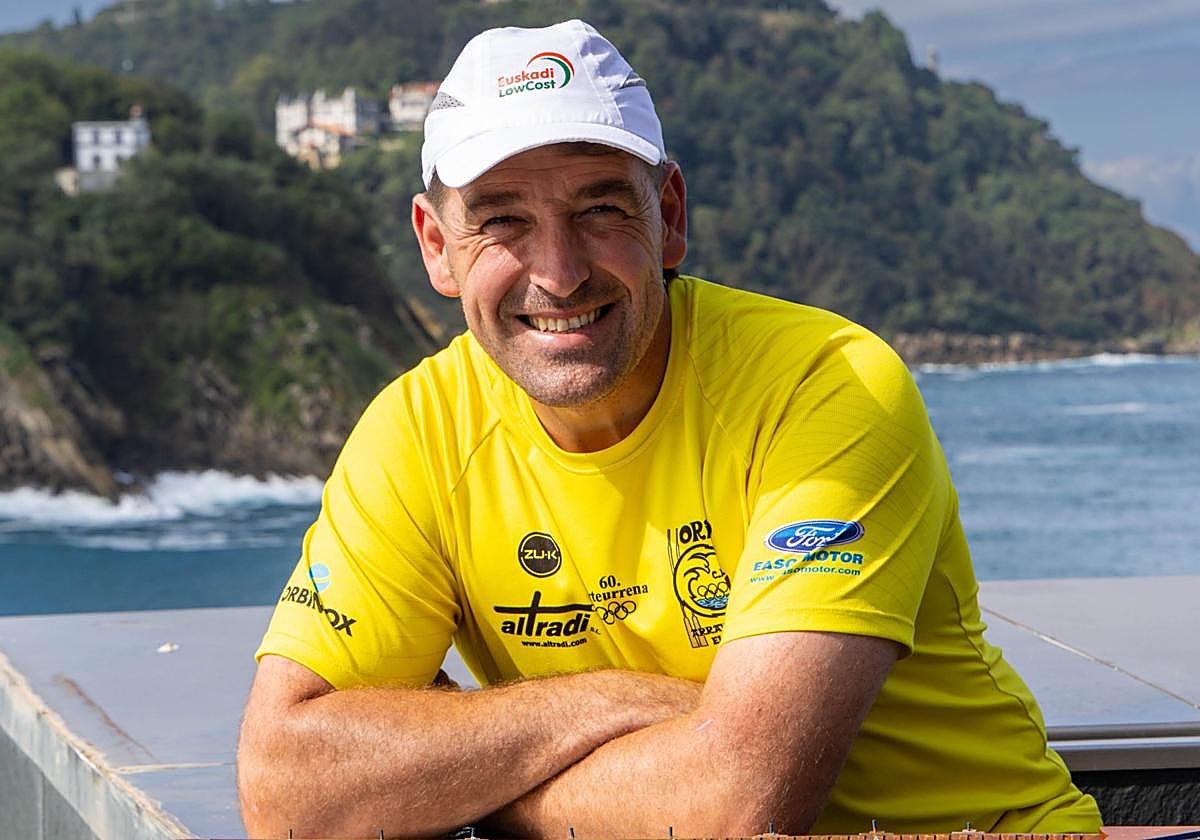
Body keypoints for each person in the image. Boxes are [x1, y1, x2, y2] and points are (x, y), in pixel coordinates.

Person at [237, 19, 1101, 839]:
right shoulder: (419, 433)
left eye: (600, 210)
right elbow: (284, 792)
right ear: (436, 246)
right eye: (503, 221)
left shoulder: (823, 386)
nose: (559, 272)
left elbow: (730, 807)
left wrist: (454, 786)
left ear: (670, 216)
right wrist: (611, 703)